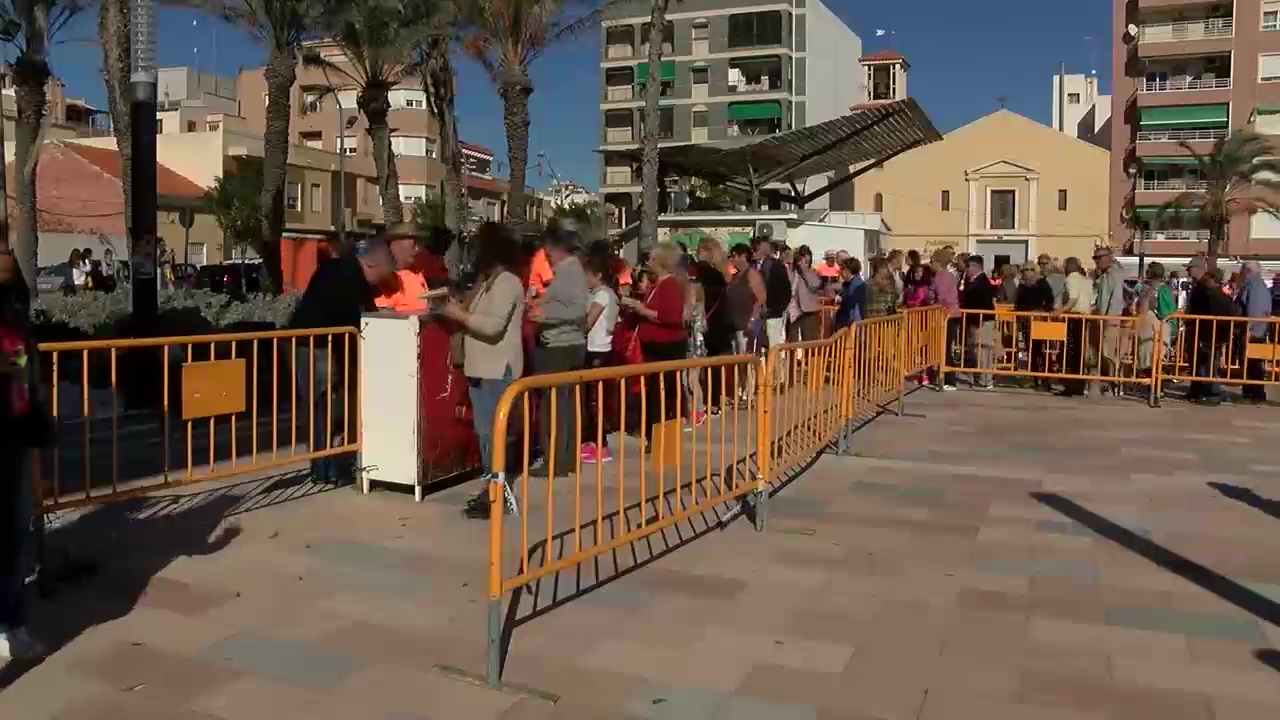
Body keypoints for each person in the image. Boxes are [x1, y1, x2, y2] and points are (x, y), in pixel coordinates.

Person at [288, 239, 396, 483]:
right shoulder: (345, 275)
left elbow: (360, 313)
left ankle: (328, 465)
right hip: (315, 345)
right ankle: (324, 468)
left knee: (327, 406)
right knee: (323, 406)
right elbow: (352, 315)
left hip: (323, 344)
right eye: (381, 274)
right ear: (371, 263)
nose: (381, 282)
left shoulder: (348, 273)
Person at [440, 223, 525, 518]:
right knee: (486, 436)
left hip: (496, 369)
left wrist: (459, 315)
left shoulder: (508, 283)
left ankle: (496, 493)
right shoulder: (488, 281)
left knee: (493, 435)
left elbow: (492, 326)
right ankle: (492, 488)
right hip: (481, 367)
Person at [0, 250, 50, 660]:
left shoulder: (16, 319)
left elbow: (30, 385)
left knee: (14, 542)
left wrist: (37, 448)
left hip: (15, 444)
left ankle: (12, 625)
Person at [530, 221, 588, 477]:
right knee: (565, 405)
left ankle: (555, 460)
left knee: (554, 407)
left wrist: (541, 313)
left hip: (559, 346)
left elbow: (574, 309)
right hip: (569, 343)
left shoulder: (568, 271)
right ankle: (564, 459)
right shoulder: (573, 271)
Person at [621, 243, 687, 443]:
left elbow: (670, 317)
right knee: (654, 394)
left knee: (660, 394)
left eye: (652, 260)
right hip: (654, 345)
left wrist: (641, 310)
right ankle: (654, 433)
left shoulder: (669, 285)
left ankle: (659, 435)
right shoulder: (657, 285)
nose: (648, 263)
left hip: (665, 347)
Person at [694, 238, 734, 416]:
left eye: (700, 249)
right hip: (717, 325)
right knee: (714, 367)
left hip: (703, 324)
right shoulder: (722, 275)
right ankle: (714, 402)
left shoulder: (702, 273)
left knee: (699, 367)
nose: (697, 252)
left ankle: (703, 404)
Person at [1185, 264, 1235, 406]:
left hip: (1209, 334)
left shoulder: (1211, 294)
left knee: (1206, 365)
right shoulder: (1210, 292)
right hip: (1209, 334)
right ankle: (1200, 390)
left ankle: (1209, 392)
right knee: (1203, 364)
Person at [1056, 257, 1095, 397]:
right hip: (1085, 317)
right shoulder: (1087, 280)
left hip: (1074, 317)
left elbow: (1073, 298)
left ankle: (1071, 386)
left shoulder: (1070, 279)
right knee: (1079, 354)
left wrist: (1060, 311)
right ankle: (1078, 385)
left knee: (1071, 353)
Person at [1235, 260, 1271, 404]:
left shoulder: (1255, 286)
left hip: (1253, 332)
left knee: (1253, 363)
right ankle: (1250, 390)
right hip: (1251, 330)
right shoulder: (1253, 285)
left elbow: (1254, 310)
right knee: (1250, 363)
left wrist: (1250, 329)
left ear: (1247, 271)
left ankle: (1255, 392)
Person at [1091, 246, 1127, 391]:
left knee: (1111, 354)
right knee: (1105, 353)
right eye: (1095, 258)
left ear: (1109, 257)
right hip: (1103, 318)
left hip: (1111, 320)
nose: (1097, 261)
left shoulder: (1114, 274)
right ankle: (1110, 382)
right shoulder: (1103, 275)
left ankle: (1116, 383)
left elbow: (1116, 298)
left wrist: (1110, 318)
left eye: (1100, 257)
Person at [373, 223, 431, 312]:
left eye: (418, 244)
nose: (417, 249)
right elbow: (383, 317)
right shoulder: (387, 278)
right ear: (395, 244)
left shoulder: (418, 271)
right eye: (414, 244)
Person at [1015, 262, 1055, 387]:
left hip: (1040, 320)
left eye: (1031, 269)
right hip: (1026, 321)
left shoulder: (1042, 284)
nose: (1028, 272)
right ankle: (1035, 377)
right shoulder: (1022, 286)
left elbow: (1049, 302)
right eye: (1025, 269)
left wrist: (1039, 311)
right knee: (1031, 349)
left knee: (1043, 349)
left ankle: (1046, 377)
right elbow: (1018, 304)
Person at [960, 255, 997, 388]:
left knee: (984, 350)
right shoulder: (973, 281)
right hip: (975, 319)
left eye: (968, 266)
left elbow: (982, 301)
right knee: (977, 350)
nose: (966, 269)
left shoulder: (981, 282)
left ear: (976, 267)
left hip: (982, 320)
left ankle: (986, 379)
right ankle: (981, 377)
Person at [754, 237, 791, 370]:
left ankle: (778, 378)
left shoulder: (776, 266)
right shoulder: (753, 265)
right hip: (757, 314)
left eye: (757, 248)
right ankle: (764, 377)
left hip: (773, 313)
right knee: (760, 348)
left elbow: (785, 290)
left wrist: (776, 309)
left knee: (774, 346)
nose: (754, 251)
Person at [927, 249, 960, 390]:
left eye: (931, 261)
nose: (930, 264)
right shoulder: (946, 276)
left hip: (947, 315)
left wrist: (933, 303)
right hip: (949, 314)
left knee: (945, 348)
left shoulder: (942, 277)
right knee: (944, 348)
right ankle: (944, 377)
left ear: (938, 262)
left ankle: (949, 380)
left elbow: (943, 298)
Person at [787, 245, 823, 342]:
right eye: (803, 259)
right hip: (793, 311)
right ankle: (792, 357)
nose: (805, 262)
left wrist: (805, 270)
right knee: (792, 340)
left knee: (809, 340)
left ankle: (809, 357)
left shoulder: (812, 273)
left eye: (807, 260)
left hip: (809, 311)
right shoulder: (791, 273)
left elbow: (814, 284)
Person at [834, 257, 865, 329]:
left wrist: (841, 300)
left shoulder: (859, 285)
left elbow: (850, 303)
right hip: (845, 322)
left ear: (849, 270)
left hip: (853, 323)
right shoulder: (846, 284)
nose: (840, 271)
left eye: (843, 269)